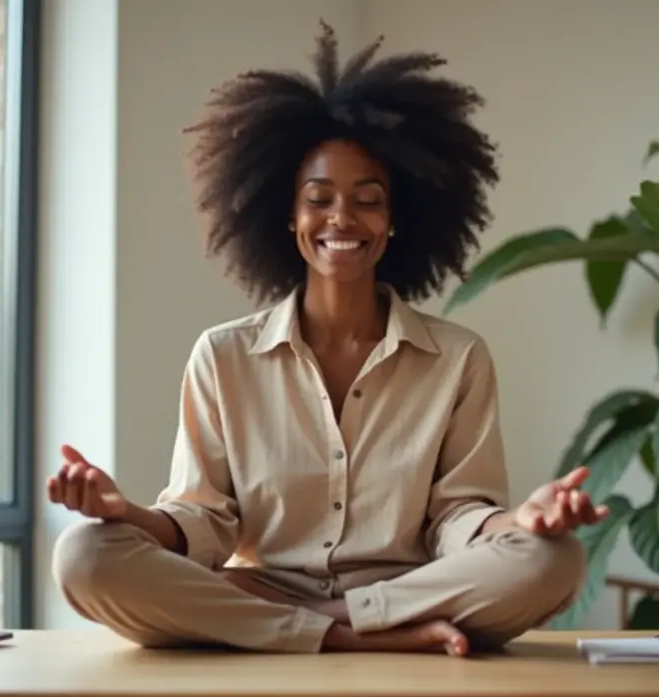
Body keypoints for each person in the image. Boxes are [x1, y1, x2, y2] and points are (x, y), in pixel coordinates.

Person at [49, 21, 608, 657]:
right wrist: (124, 513)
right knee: (85, 554)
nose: (342, 217)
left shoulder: (458, 359)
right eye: (319, 199)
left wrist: (521, 521)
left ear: (394, 219)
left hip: (401, 590)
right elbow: (202, 520)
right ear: (288, 215)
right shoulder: (223, 356)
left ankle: (315, 625)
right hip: (266, 588)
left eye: (367, 200)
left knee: (553, 560)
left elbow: (458, 518)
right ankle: (364, 637)